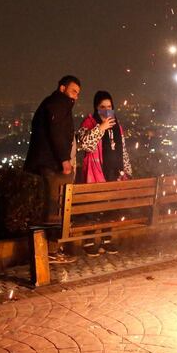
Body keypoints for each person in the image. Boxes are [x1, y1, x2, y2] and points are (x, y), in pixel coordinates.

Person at [24, 75, 81, 264]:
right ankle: (51, 250)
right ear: (62, 88)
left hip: (45, 163)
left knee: (52, 207)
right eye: (73, 91)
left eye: (78, 93)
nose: (76, 96)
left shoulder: (53, 103)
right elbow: (56, 132)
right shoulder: (59, 102)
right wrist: (64, 160)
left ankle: (50, 250)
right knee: (55, 207)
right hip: (50, 165)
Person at [75, 91, 133, 256]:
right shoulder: (89, 122)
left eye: (109, 107)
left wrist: (127, 171)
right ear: (96, 107)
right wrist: (100, 128)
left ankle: (106, 240)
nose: (106, 110)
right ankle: (89, 241)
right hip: (95, 172)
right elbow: (85, 145)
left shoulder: (117, 126)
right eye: (102, 107)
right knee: (91, 208)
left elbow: (123, 151)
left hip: (113, 173)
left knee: (109, 207)